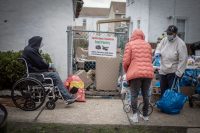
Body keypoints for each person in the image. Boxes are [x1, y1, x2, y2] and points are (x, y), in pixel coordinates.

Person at [22, 36, 77, 105]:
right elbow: (40, 63)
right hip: (35, 74)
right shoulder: (31, 51)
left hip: (35, 72)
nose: (41, 44)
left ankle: (65, 94)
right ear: (36, 43)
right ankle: (67, 97)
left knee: (54, 73)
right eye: (40, 42)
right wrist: (49, 65)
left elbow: (38, 62)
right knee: (54, 75)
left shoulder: (29, 49)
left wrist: (47, 66)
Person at [123, 29, 154, 123]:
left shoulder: (130, 44)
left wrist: (128, 71)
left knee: (134, 95)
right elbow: (150, 59)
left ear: (133, 36)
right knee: (146, 95)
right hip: (148, 73)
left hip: (135, 73)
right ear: (142, 36)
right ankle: (145, 115)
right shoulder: (148, 45)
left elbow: (126, 61)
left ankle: (135, 116)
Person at [155, 25, 188, 96]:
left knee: (172, 93)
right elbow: (159, 47)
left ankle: (171, 107)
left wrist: (179, 73)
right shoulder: (164, 40)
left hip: (173, 72)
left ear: (175, 34)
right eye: (168, 33)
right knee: (163, 91)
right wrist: (157, 52)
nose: (168, 35)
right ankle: (164, 105)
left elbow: (183, 59)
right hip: (163, 70)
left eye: (170, 34)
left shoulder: (180, 44)